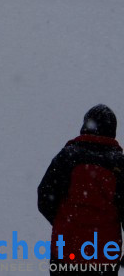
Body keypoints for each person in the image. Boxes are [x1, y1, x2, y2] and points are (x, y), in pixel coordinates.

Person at [37, 105, 124, 273]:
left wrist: (63, 222)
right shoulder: (119, 164)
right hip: (104, 255)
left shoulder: (67, 156)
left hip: (66, 252)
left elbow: (44, 197)